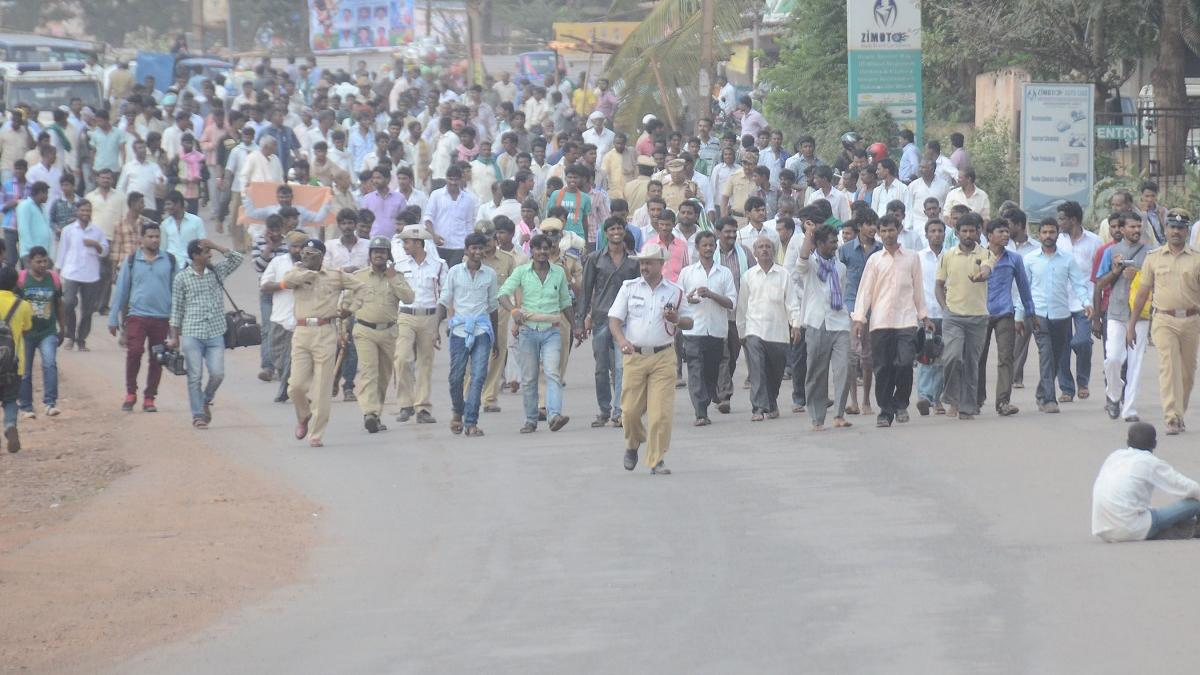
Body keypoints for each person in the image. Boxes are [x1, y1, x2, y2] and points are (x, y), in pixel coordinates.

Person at [608, 243, 692, 475]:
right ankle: (633, 443)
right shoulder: (629, 288)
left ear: (660, 264)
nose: (643, 266)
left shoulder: (675, 291)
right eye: (642, 262)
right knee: (630, 412)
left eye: (648, 263)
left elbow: (689, 322)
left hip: (663, 357)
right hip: (634, 356)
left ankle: (656, 459)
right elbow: (614, 320)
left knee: (660, 414)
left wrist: (676, 319)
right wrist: (622, 340)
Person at [851, 214, 933, 427]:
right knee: (883, 368)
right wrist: (859, 319)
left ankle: (901, 403)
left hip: (906, 320)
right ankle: (885, 411)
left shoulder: (912, 257)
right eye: (884, 231)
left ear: (899, 230)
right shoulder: (875, 260)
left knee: (905, 363)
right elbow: (865, 291)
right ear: (879, 232)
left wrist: (924, 315)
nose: (888, 235)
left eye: (891, 230)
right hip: (880, 322)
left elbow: (918, 289)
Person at [283, 239, 364, 446]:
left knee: (321, 387)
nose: (305, 256)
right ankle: (303, 415)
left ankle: (317, 433)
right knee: (295, 386)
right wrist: (307, 272)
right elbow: (288, 280)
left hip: (326, 331)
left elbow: (361, 287)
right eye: (304, 253)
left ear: (321, 255)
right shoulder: (297, 273)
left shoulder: (335, 275)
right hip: (301, 331)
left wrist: (350, 307)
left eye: (311, 253)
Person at [1128, 209, 1200, 436]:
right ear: (1166, 229)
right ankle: (1172, 416)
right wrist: (1131, 325)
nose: (1176, 231)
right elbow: (1142, 293)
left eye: (1180, 228)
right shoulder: (1154, 257)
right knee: (1169, 367)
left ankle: (1180, 412)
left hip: (1191, 320)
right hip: (1163, 319)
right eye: (1172, 227)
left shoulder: (1197, 259)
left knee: (1187, 373)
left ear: (1186, 230)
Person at [498, 234, 574, 433]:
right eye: (537, 248)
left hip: (552, 331)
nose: (542, 252)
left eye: (545, 248)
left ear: (550, 250)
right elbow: (503, 294)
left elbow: (565, 302)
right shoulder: (521, 272)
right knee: (530, 377)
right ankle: (531, 420)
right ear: (531, 251)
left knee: (553, 374)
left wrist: (577, 326)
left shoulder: (558, 273)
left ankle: (554, 415)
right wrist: (513, 311)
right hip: (528, 331)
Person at [168, 239, 244, 428]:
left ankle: (205, 398)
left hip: (215, 332)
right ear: (195, 256)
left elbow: (237, 259)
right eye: (206, 252)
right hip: (192, 332)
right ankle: (198, 415)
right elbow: (176, 310)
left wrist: (217, 245)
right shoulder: (182, 278)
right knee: (194, 377)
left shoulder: (217, 272)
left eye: (210, 252)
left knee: (218, 374)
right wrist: (174, 336)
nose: (210, 255)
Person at [1021, 217, 1092, 414]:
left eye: (1052, 232)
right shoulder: (1030, 259)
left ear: (1057, 234)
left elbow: (1078, 283)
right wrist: (1020, 315)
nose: (1048, 236)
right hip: (1038, 314)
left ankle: (1041, 393)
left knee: (1056, 355)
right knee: (1046, 355)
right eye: (1044, 232)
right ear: (1039, 234)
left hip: (1061, 315)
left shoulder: (1068, 259)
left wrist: (1086, 302)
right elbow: (1024, 289)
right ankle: (1049, 400)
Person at [577, 217, 639, 427]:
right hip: (601, 319)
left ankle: (619, 411)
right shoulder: (595, 259)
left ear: (624, 231)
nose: (616, 232)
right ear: (605, 233)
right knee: (601, 368)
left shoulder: (633, 261)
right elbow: (585, 291)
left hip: (625, 321)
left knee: (622, 368)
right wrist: (580, 321)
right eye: (612, 228)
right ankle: (604, 409)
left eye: (619, 228)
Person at [108, 222, 176, 412]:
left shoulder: (169, 261)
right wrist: (113, 318)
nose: (154, 240)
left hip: (162, 318)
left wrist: (176, 323)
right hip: (137, 316)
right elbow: (121, 291)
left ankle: (149, 398)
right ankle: (131, 393)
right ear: (141, 239)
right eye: (151, 236)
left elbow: (177, 292)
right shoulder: (131, 261)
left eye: (157, 236)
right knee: (134, 352)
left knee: (157, 358)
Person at [1092, 422, 1200, 542]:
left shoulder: (1114, 456)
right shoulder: (1149, 462)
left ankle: (1180, 529)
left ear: (1128, 442)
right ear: (1154, 443)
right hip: (1131, 526)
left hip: (1102, 528)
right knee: (1196, 503)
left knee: (1158, 514)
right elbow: (1190, 489)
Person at [438, 233, 498, 436]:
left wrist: (495, 338)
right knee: (456, 377)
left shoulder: (490, 274)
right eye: (473, 248)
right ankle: (458, 410)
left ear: (485, 251)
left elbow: (493, 307)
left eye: (481, 248)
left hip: (482, 331)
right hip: (459, 331)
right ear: (466, 250)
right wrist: (434, 329)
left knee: (479, 376)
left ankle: (471, 421)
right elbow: (444, 300)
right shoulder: (455, 272)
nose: (477, 252)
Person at [934, 212, 993, 420]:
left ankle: (967, 406)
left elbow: (987, 270)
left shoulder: (985, 253)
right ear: (957, 232)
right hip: (953, 316)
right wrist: (945, 308)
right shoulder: (947, 255)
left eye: (972, 230)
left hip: (978, 317)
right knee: (952, 356)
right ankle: (951, 397)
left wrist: (981, 276)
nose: (968, 234)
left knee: (971, 362)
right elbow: (939, 286)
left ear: (978, 232)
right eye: (964, 231)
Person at [736, 237, 802, 422]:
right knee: (757, 370)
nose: (764, 250)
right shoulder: (748, 276)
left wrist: (795, 324)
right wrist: (741, 332)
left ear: (773, 251)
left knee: (775, 373)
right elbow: (742, 307)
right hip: (754, 330)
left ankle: (771, 402)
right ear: (755, 253)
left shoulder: (784, 275)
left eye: (767, 247)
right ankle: (758, 408)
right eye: (760, 247)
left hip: (778, 333)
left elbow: (792, 303)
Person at [1094, 214, 1151, 422]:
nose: (1136, 230)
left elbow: (1155, 282)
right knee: (1113, 358)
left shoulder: (1150, 253)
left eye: (1139, 226)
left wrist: (1138, 274)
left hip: (1141, 314)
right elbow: (1100, 283)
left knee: (1135, 362)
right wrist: (1116, 271)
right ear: (1123, 229)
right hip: (1116, 312)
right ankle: (1113, 394)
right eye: (1132, 226)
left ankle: (1130, 409)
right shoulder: (1110, 252)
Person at [795, 223, 851, 430]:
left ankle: (839, 414)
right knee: (817, 373)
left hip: (840, 322)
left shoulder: (840, 267)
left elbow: (842, 293)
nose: (836, 245)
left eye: (837, 241)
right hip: (817, 322)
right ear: (819, 243)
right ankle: (817, 418)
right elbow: (801, 259)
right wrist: (808, 235)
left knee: (844, 368)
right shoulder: (810, 265)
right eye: (832, 241)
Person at [976, 218, 1034, 417]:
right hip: (981, 312)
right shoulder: (978, 256)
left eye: (1007, 232)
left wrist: (1030, 313)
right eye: (1000, 232)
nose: (1005, 235)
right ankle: (976, 398)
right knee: (978, 358)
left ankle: (1003, 401)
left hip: (1005, 312)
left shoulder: (1014, 259)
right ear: (989, 235)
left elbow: (1024, 288)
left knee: (1006, 357)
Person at [679, 230, 736, 425]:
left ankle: (710, 394)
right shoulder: (687, 273)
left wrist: (711, 294)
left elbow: (731, 303)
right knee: (695, 370)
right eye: (705, 245)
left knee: (711, 372)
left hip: (717, 331)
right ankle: (700, 412)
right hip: (694, 331)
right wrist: (690, 300)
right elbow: (679, 301)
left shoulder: (724, 273)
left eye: (712, 245)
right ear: (697, 248)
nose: (709, 248)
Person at [393, 225, 448, 424]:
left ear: (418, 243)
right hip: (405, 315)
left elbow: (444, 296)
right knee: (402, 359)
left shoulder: (439, 265)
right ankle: (405, 403)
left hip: (429, 315)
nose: (404, 245)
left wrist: (438, 326)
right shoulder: (399, 265)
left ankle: (422, 406)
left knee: (425, 362)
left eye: (407, 241)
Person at [1054, 201, 1102, 402]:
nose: (1059, 222)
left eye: (1062, 218)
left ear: (1073, 220)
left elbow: (1099, 273)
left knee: (1082, 341)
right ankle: (1066, 388)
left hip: (1085, 301)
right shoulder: (1057, 241)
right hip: (1060, 300)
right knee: (1061, 347)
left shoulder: (1094, 241)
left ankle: (1083, 381)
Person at [16, 247, 63, 418]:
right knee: (25, 370)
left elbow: (59, 304)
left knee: (50, 364)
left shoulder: (53, 279)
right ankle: (26, 407)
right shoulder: (21, 280)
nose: (42, 265)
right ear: (30, 262)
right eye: (38, 261)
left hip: (47, 331)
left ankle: (50, 403)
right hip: (26, 332)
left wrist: (62, 328)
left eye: (45, 261)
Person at [260, 232, 306, 404]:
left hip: (303, 319)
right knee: (277, 357)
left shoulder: (311, 266)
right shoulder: (278, 262)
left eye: (301, 247)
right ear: (288, 246)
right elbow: (264, 285)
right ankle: (287, 384)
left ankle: (289, 390)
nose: (297, 250)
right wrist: (283, 284)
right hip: (280, 318)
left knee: (296, 358)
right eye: (294, 246)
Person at [56, 201, 109, 352]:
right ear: (77, 212)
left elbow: (105, 251)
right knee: (69, 303)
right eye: (83, 210)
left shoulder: (97, 231)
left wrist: (95, 244)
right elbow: (62, 250)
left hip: (91, 274)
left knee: (87, 310)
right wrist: (58, 270)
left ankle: (81, 340)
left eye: (88, 210)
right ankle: (70, 336)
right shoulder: (68, 230)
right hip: (71, 272)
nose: (86, 213)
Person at [0, 267, 33, 452]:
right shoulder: (23, 305)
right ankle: (10, 425)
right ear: (15, 284)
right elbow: (27, 328)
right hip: (13, 363)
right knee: (11, 400)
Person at [160, 190, 207, 267]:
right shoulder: (165, 224)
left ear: (178, 203)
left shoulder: (196, 221)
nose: (166, 207)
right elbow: (163, 248)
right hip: (172, 266)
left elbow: (203, 244)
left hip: (193, 265)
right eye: (165, 205)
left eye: (169, 204)